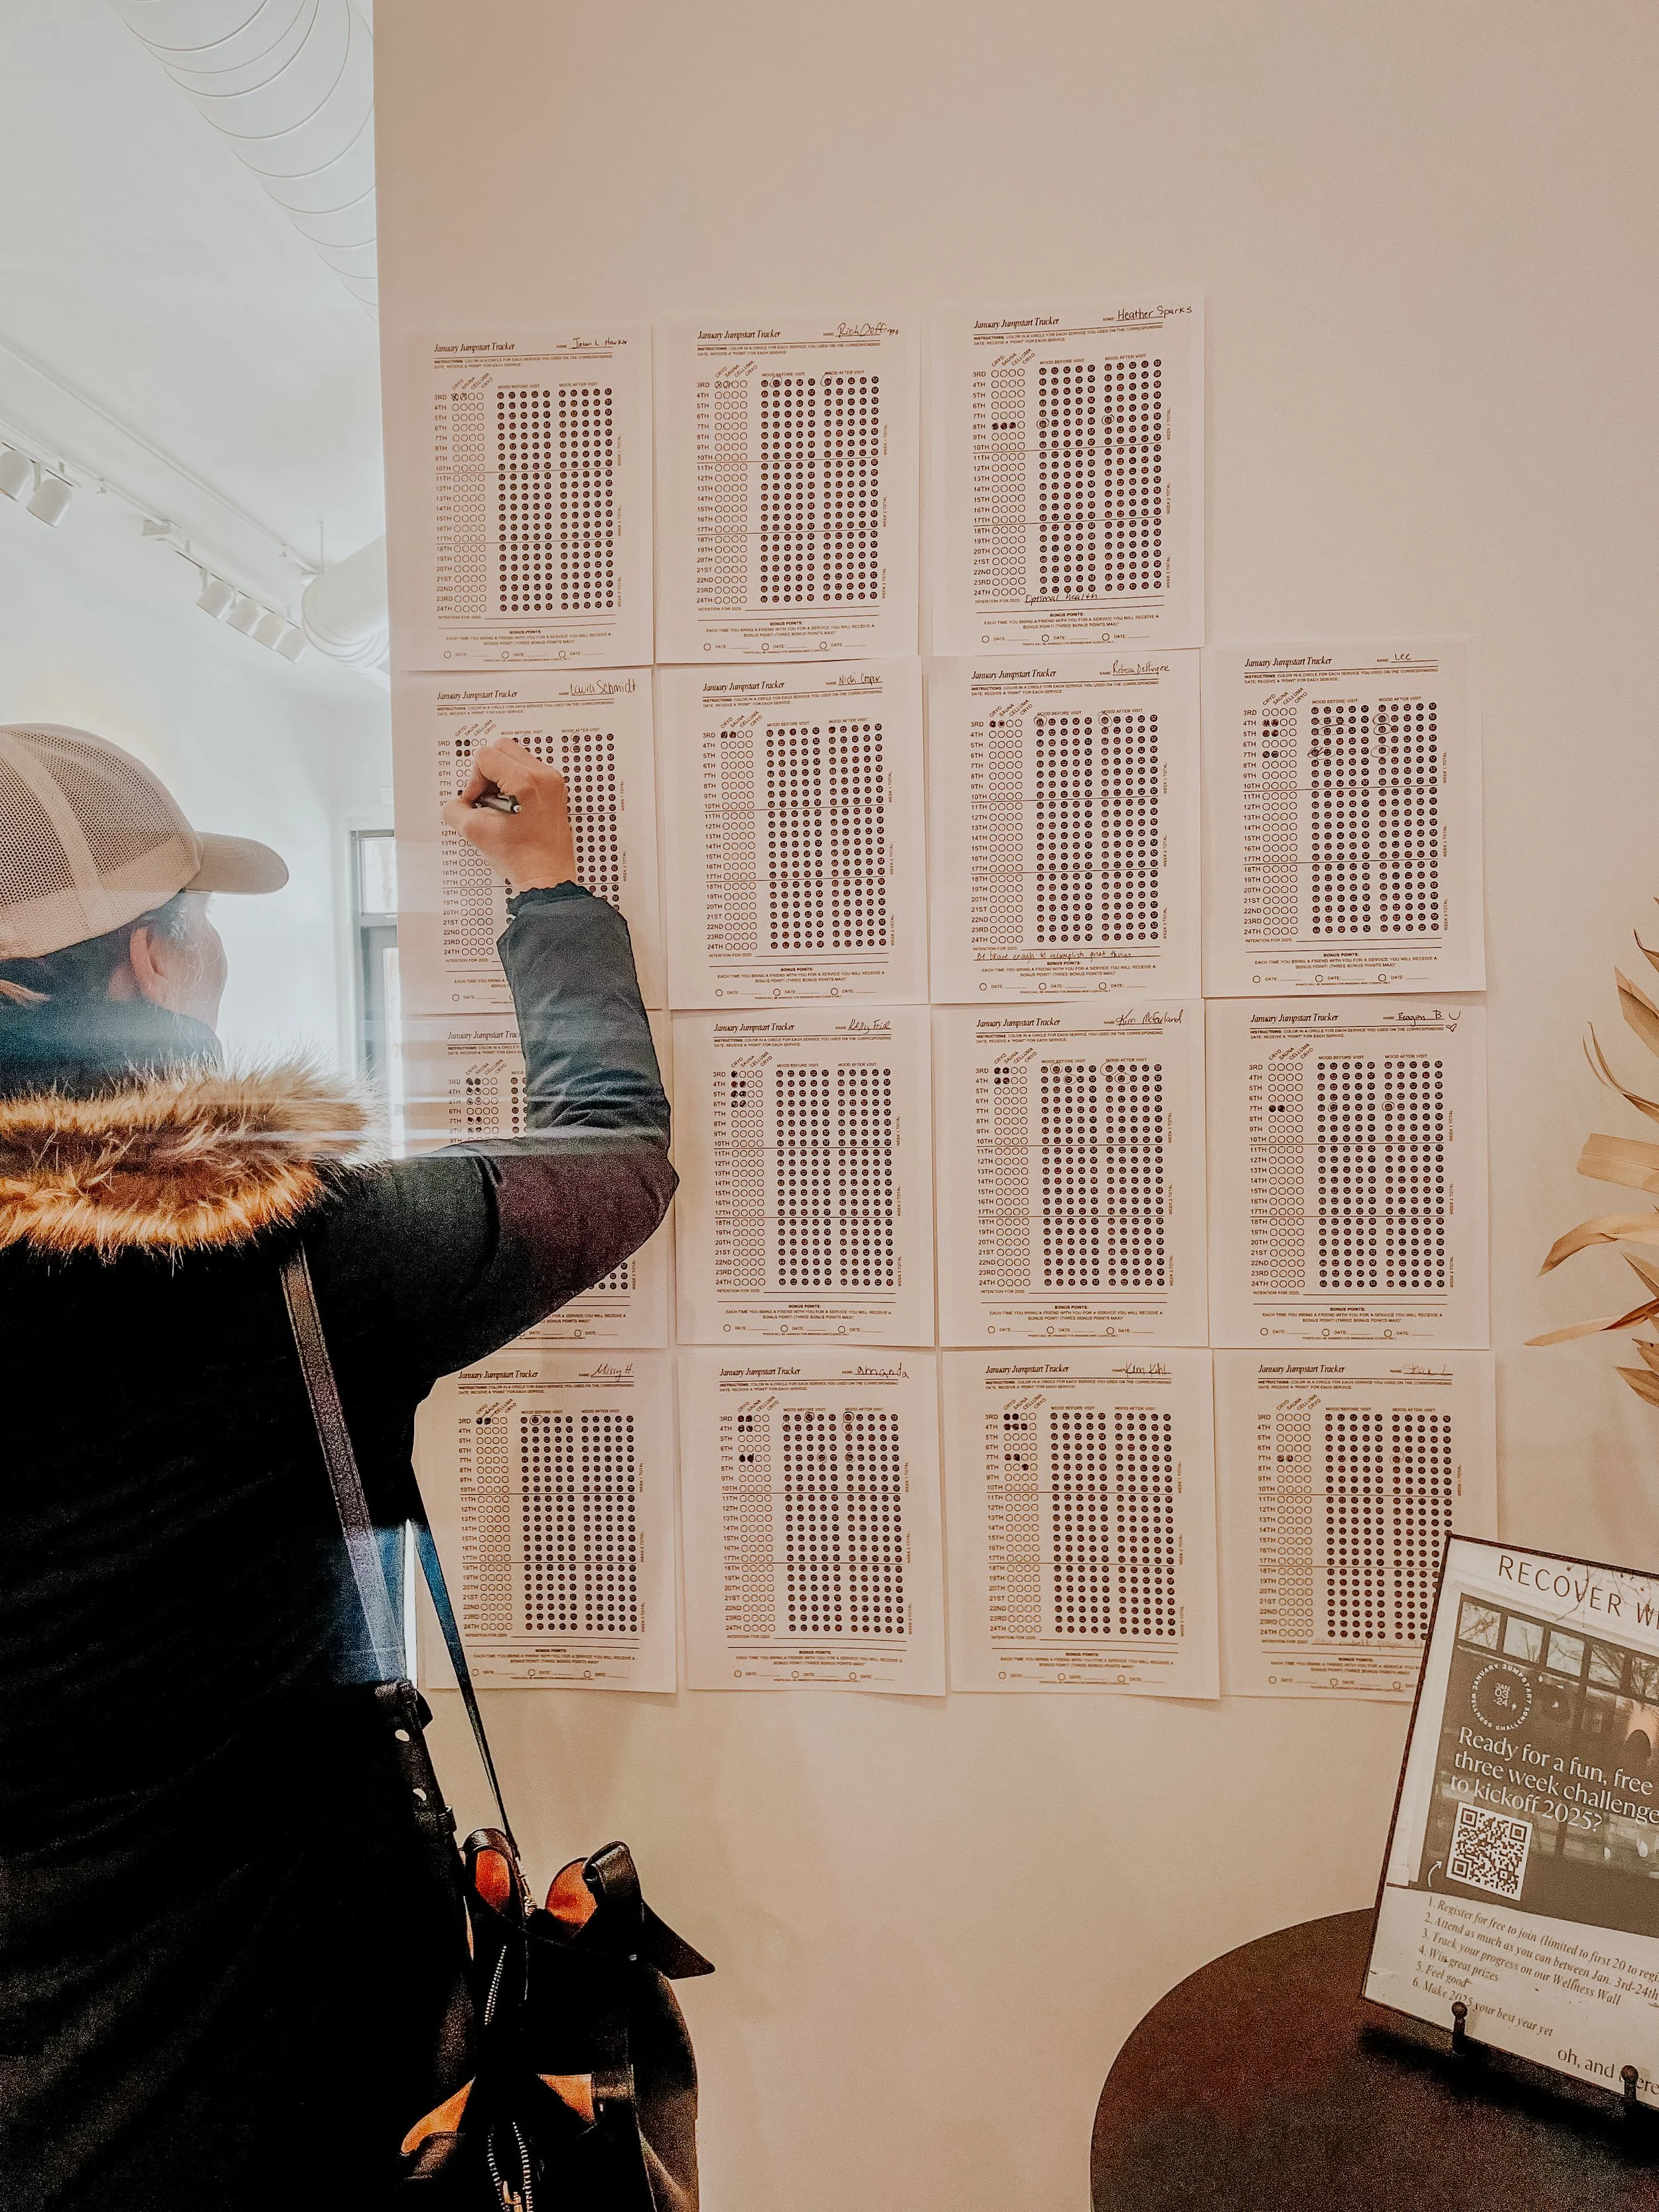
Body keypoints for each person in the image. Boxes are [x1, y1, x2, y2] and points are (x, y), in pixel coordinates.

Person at [0, 722, 675, 2210]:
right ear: (152, 967)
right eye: (196, 928)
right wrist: (547, 893)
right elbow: (612, 1160)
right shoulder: (300, 1263)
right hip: (283, 2069)